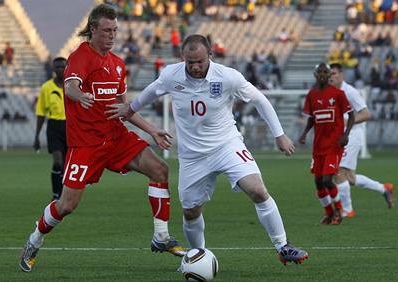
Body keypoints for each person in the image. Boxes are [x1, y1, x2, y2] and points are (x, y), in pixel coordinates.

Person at [106, 34, 309, 265]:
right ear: (183, 58)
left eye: (199, 61)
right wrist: (130, 108)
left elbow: (260, 100)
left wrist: (279, 134)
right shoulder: (172, 75)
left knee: (257, 190)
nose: (194, 66)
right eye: (189, 61)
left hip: (226, 145)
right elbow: (151, 92)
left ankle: (283, 246)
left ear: (210, 55)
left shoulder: (227, 77)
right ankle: (198, 257)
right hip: (192, 157)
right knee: (191, 212)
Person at [19, 4, 185, 273]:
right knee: (67, 204)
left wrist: (152, 130)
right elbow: (70, 85)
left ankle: (161, 236)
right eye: (107, 30)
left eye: (115, 30)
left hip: (116, 138)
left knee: (159, 169)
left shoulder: (118, 65)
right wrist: (79, 95)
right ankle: (34, 240)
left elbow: (124, 108)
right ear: (93, 30)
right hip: (86, 145)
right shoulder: (81, 57)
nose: (112, 35)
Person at [329, 63, 394, 217]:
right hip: (341, 137)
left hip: (352, 136)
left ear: (341, 75)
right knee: (350, 178)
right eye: (330, 74)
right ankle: (384, 188)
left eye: (334, 73)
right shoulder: (331, 92)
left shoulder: (350, 92)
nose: (332, 77)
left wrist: (346, 122)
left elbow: (366, 114)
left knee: (339, 172)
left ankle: (347, 210)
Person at [299, 63, 355, 225]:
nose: (323, 74)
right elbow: (312, 118)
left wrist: (345, 134)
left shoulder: (338, 93)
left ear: (329, 74)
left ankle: (339, 211)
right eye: (320, 72)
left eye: (326, 72)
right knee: (318, 181)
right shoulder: (311, 94)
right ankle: (329, 213)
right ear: (315, 74)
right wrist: (304, 134)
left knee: (327, 180)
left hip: (334, 144)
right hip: (318, 146)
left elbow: (351, 116)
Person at [33, 57, 68, 201]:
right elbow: (41, 113)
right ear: (53, 69)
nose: (60, 70)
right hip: (53, 126)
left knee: (66, 164)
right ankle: (56, 194)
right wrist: (36, 136)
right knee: (58, 161)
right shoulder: (46, 88)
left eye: (62, 67)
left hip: (70, 126)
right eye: (57, 67)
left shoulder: (72, 86)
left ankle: (64, 194)